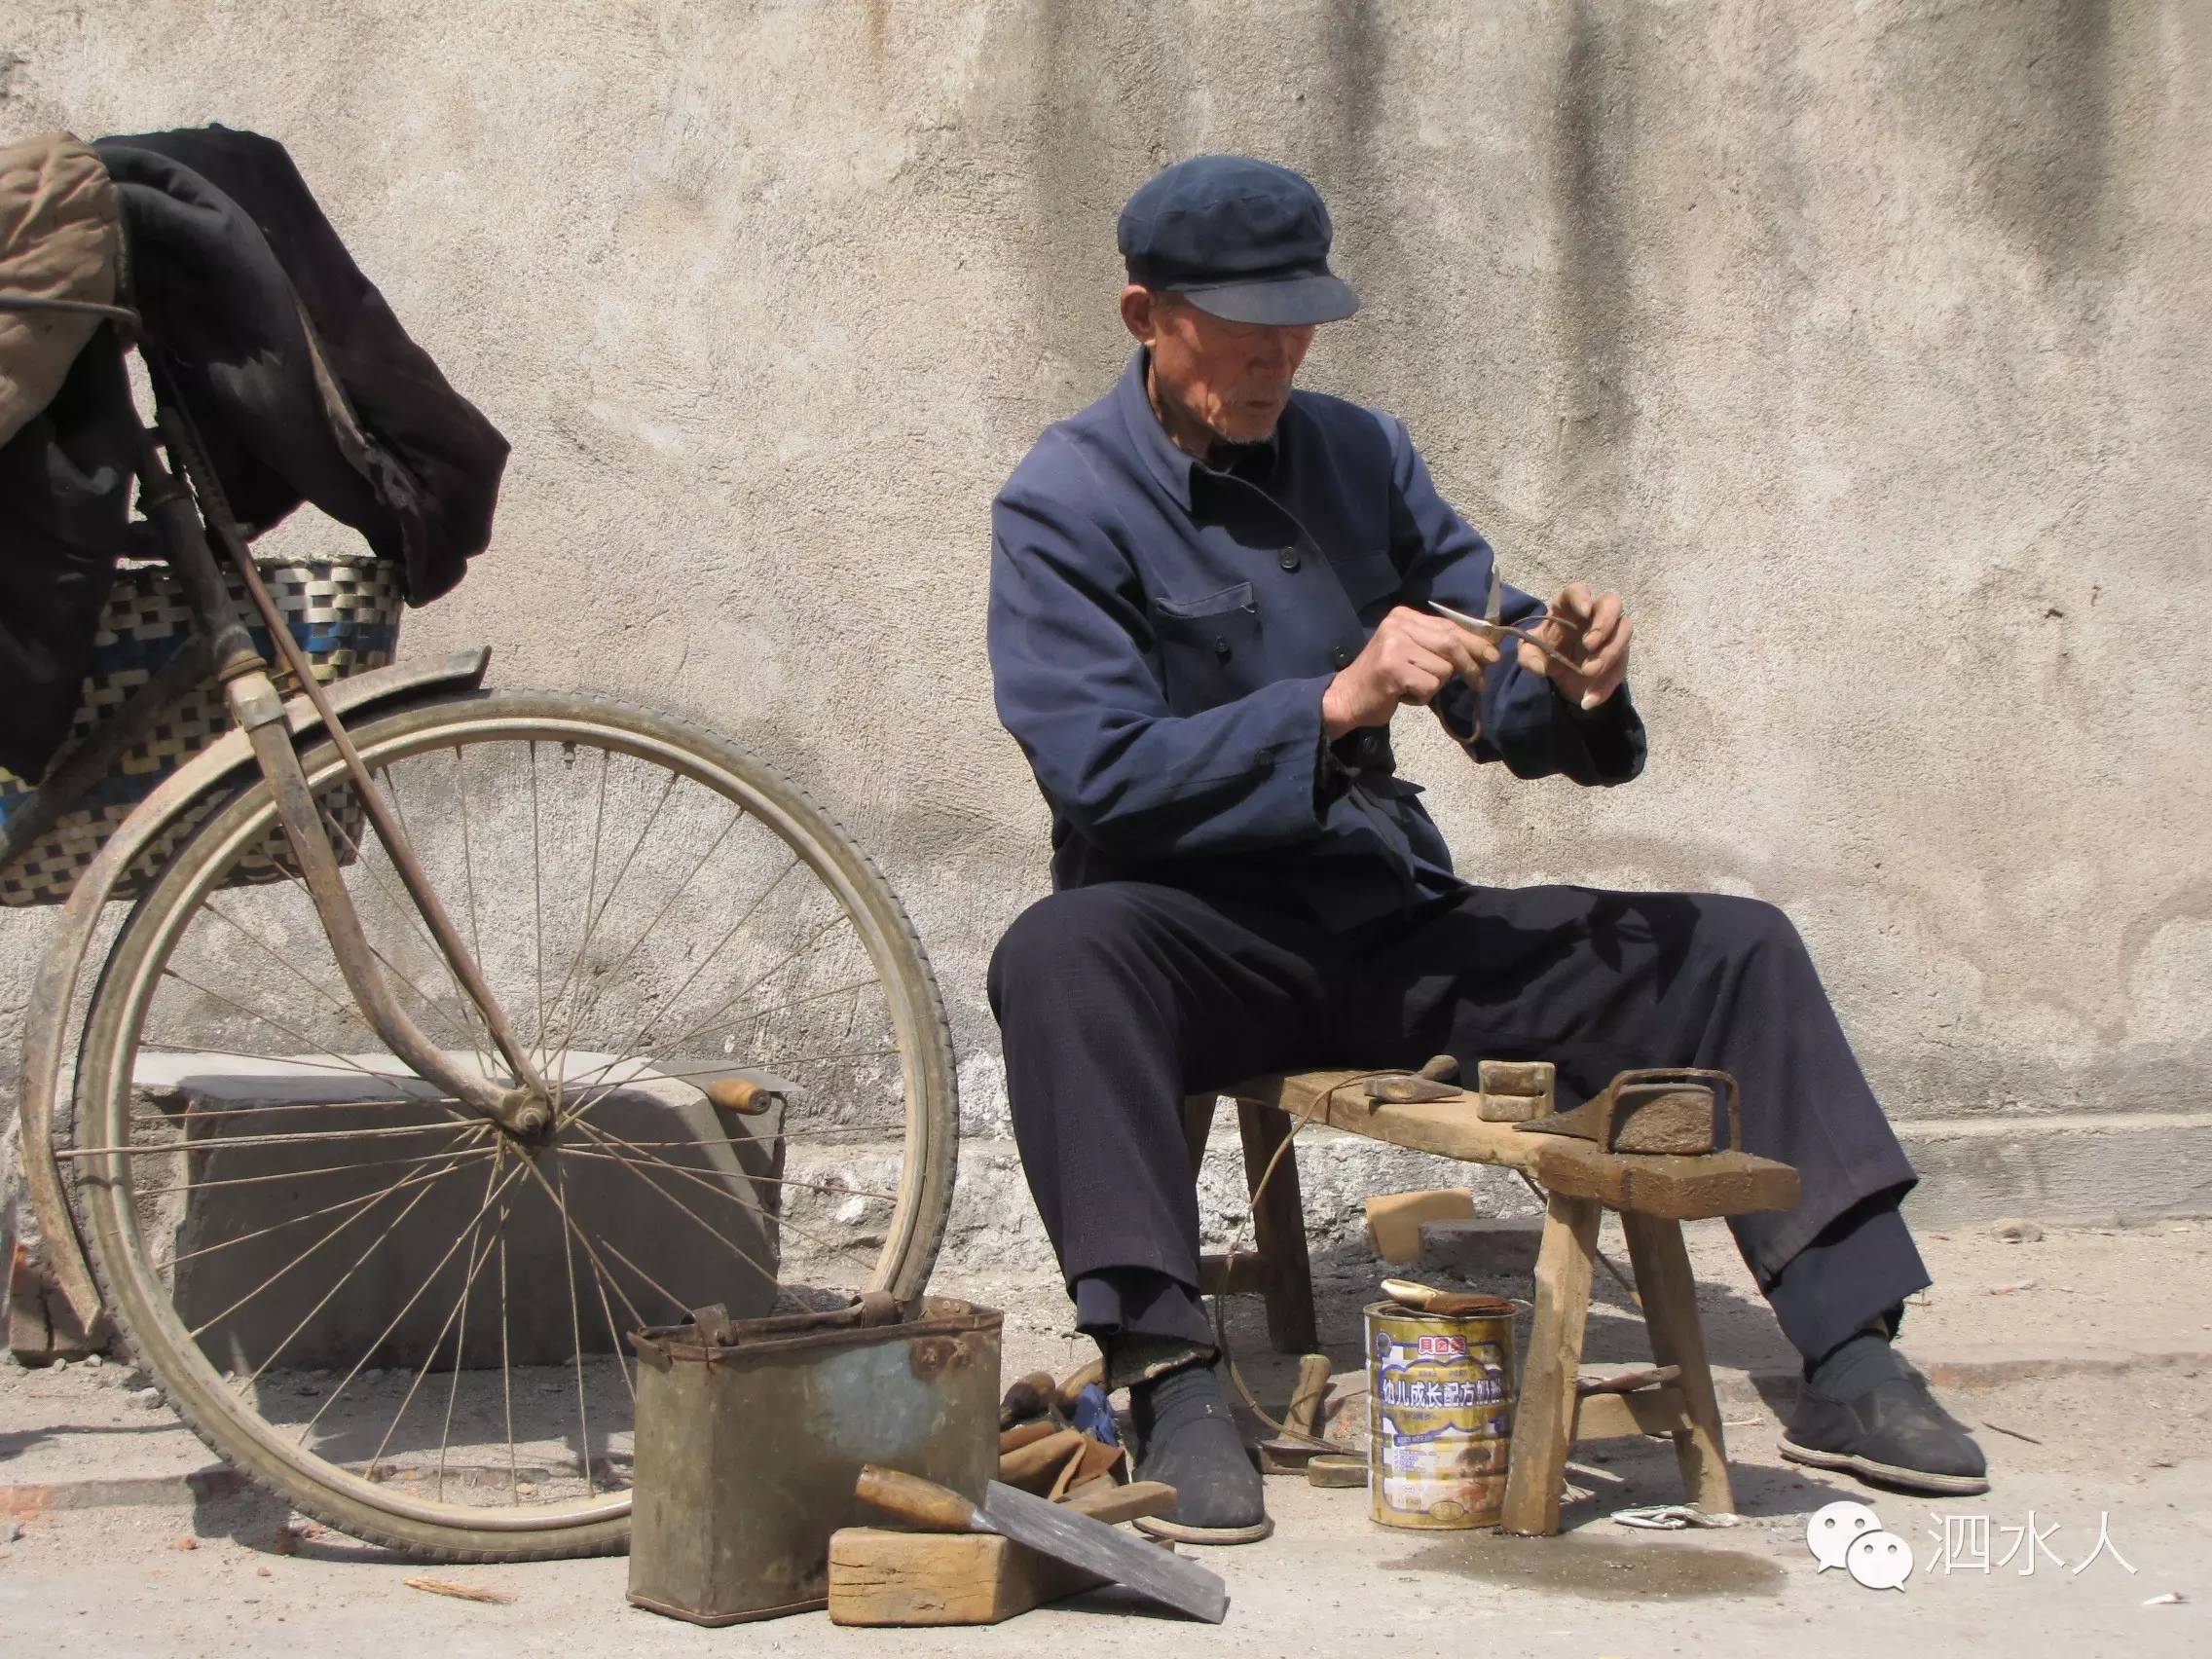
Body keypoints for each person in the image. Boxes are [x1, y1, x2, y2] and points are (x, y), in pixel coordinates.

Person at [985, 154, 1987, 1544]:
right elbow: (1098, 775)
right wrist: (1331, 700)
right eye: (1241, 323)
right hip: (1191, 936)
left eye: (1302, 319)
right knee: (1057, 954)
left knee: (1733, 947)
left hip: (1382, 918)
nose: (1280, 351)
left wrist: (1569, 682)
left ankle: (1852, 1347)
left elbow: (1489, 670)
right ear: (1145, 315)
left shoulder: (1361, 457)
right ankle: (1169, 1376)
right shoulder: (1065, 503)